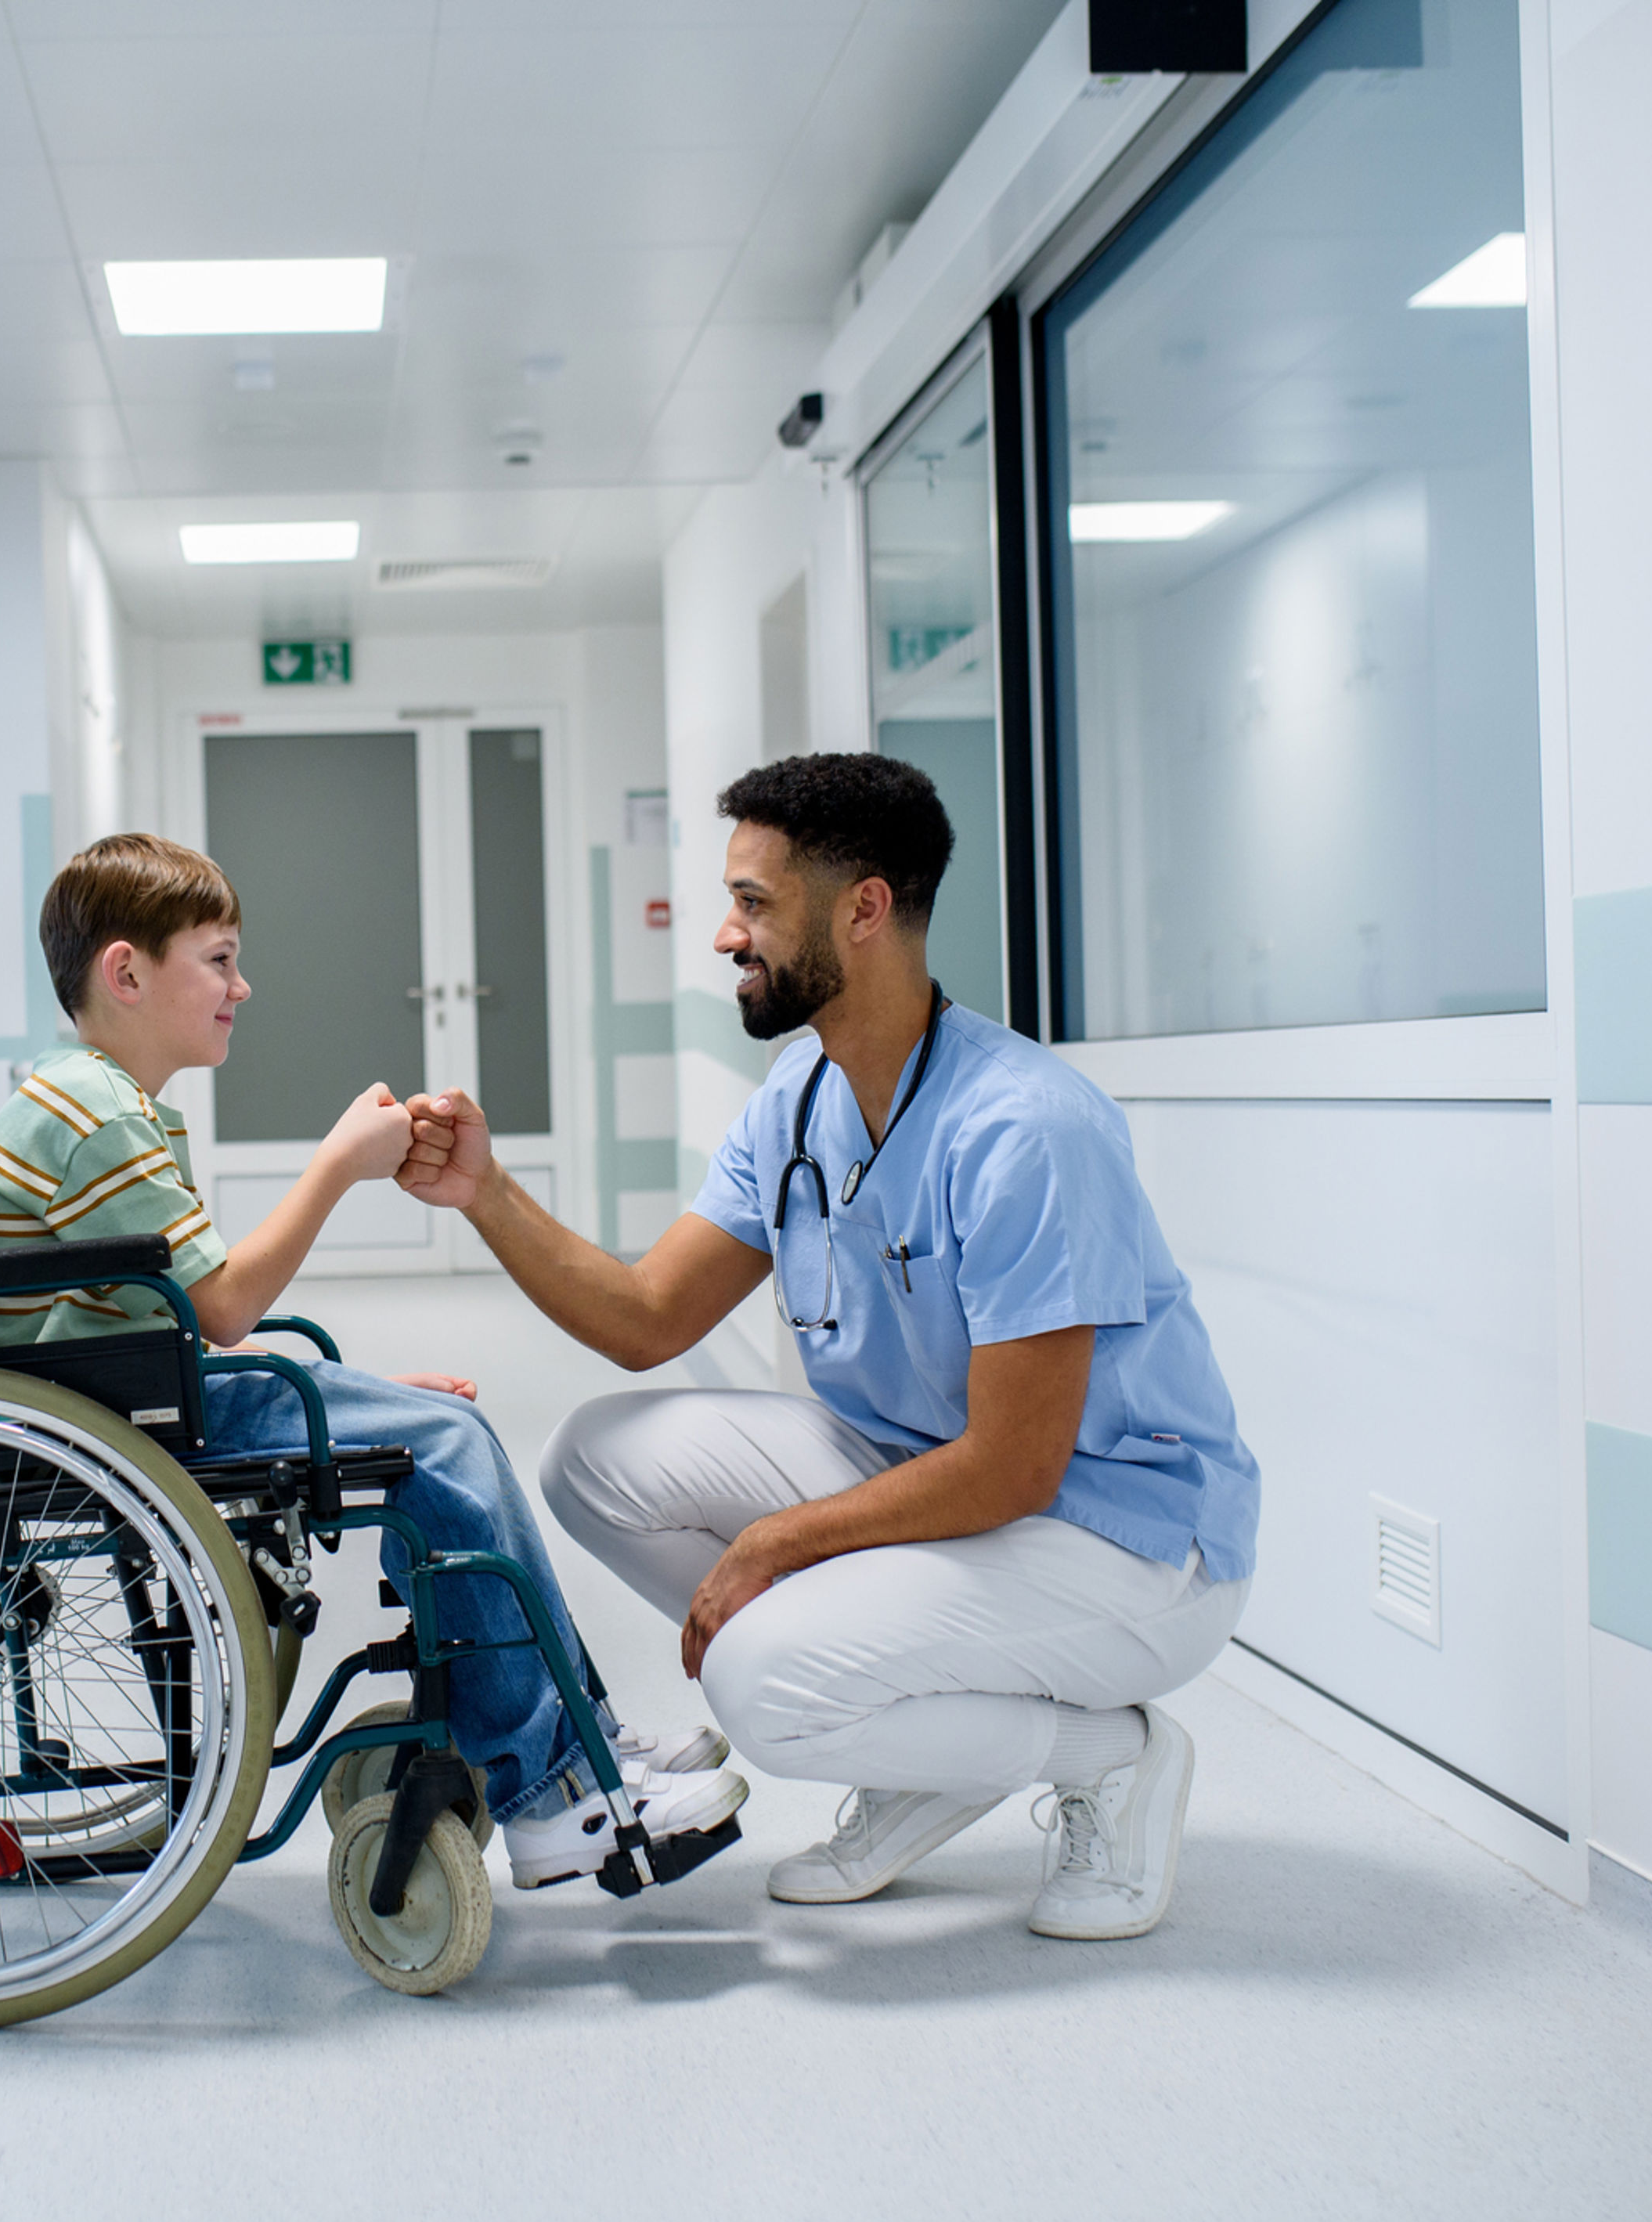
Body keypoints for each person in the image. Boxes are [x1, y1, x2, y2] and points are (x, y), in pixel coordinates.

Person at [397, 754, 1258, 1939]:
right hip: (940, 1477)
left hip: (1118, 1538)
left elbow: (1017, 1467)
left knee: (763, 1683)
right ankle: (934, 1760)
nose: (722, 935)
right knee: (593, 1458)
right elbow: (650, 1319)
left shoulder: (1027, 1131)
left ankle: (1109, 1756)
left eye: (753, 903)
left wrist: (779, 1543)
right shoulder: (801, 1094)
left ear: (864, 908)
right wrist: (487, 1192)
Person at [0, 831, 746, 1888]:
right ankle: (553, 1791)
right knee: (445, 1448)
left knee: (437, 1430)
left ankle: (570, 1741)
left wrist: (353, 1393)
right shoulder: (95, 1113)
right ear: (127, 972)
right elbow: (226, 1309)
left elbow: (173, 1315)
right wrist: (338, 1167)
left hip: (119, 1391)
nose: (243, 984)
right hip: (96, 1419)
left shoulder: (94, 1097)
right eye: (220, 958)